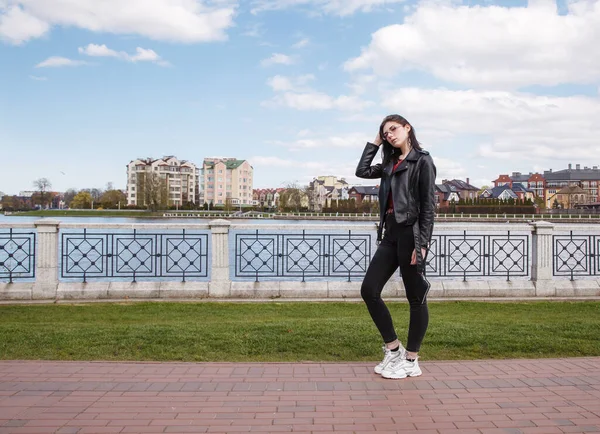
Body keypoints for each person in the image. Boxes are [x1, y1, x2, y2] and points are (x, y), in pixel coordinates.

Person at [355, 114, 436, 380]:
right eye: (385, 132)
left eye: (393, 129)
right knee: (369, 290)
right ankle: (393, 349)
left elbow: (428, 207)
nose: (390, 134)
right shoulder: (389, 163)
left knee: (415, 297)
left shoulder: (422, 161)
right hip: (390, 233)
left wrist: (422, 244)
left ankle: (412, 359)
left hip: (411, 234)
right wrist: (376, 141)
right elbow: (362, 171)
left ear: (407, 128)